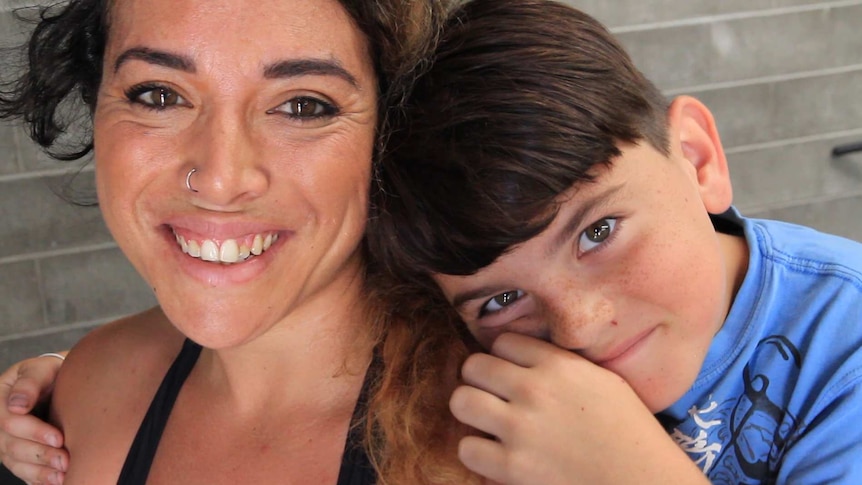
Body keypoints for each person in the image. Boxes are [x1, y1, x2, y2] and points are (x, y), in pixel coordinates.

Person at [366, 0, 862, 484]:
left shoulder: (845, 346)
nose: (579, 328)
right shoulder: (463, 373)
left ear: (697, 157)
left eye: (597, 232)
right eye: (502, 300)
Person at [0, 0, 476, 484]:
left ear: (391, 133)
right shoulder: (87, 393)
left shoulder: (499, 446)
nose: (221, 180)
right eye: (159, 95)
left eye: (302, 106)